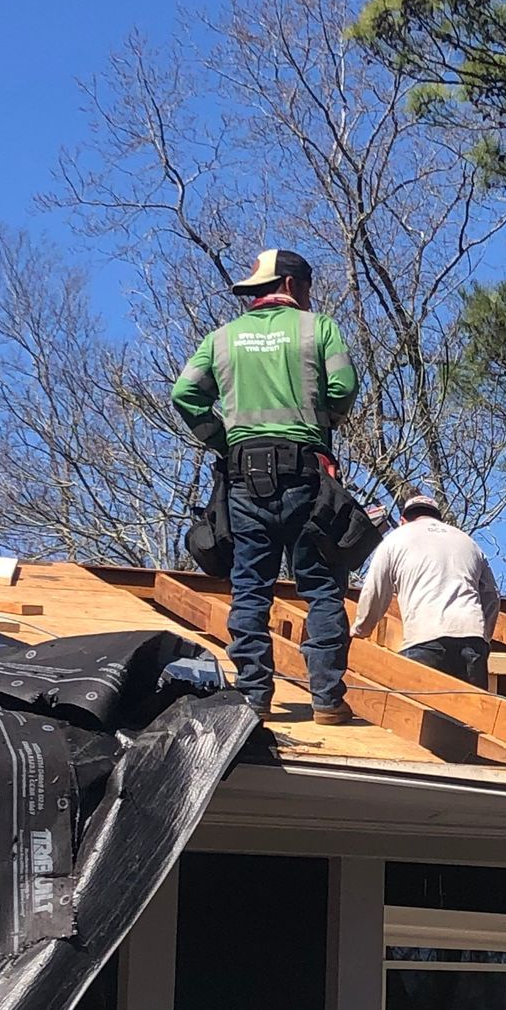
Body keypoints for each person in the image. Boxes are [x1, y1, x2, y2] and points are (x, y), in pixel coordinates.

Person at [171, 247, 360, 724]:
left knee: (250, 587)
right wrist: (324, 423)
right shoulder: (318, 328)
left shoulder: (221, 339)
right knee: (319, 587)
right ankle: (326, 700)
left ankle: (254, 696)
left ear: (259, 291)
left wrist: (220, 440)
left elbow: (185, 394)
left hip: (243, 479)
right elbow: (343, 386)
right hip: (305, 475)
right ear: (295, 286)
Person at [350, 492, 500, 689]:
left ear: (403, 519)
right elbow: (492, 597)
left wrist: (361, 629)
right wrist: (483, 636)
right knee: (472, 715)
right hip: (471, 641)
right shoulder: (467, 542)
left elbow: (375, 591)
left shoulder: (396, 539)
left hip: (425, 640)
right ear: (438, 518)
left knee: (416, 714)